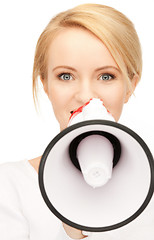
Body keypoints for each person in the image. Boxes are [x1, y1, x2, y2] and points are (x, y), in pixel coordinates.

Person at [0, 3, 153, 240]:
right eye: (66, 76)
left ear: (130, 85)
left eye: (106, 76)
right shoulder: (9, 187)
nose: (85, 96)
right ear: (45, 85)